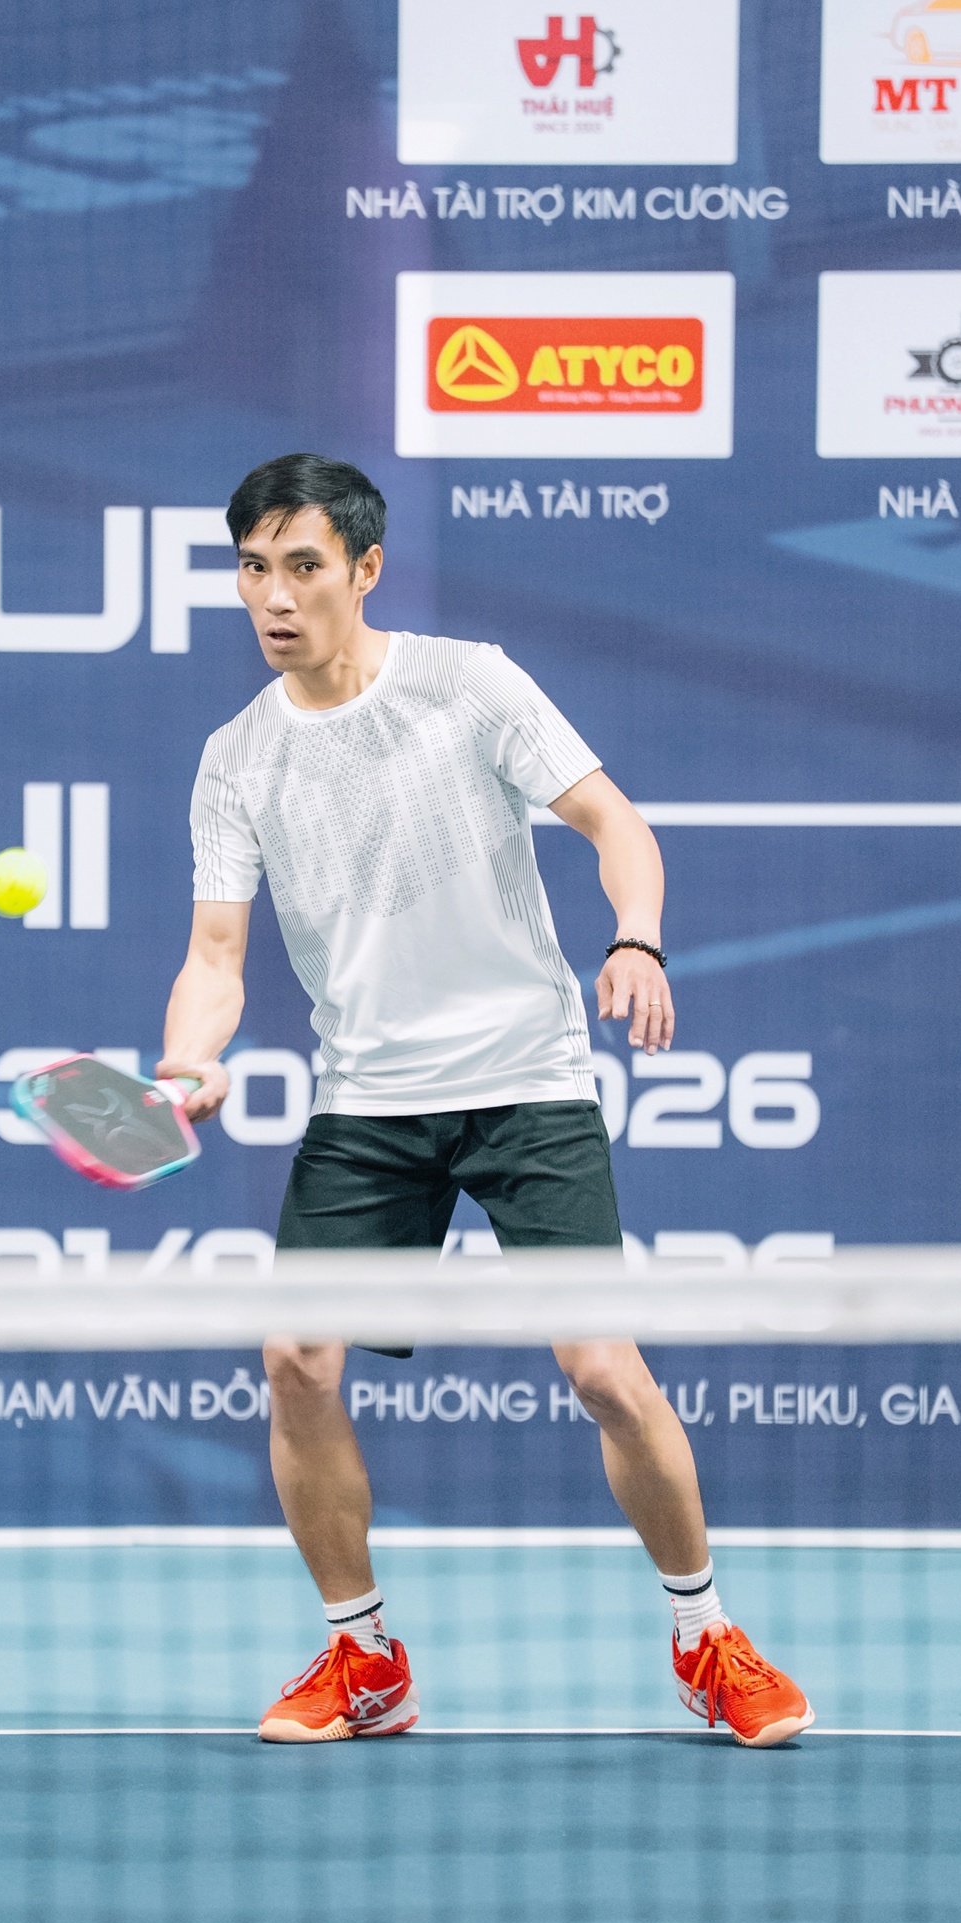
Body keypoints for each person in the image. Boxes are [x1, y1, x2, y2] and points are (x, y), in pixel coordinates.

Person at [158, 453, 811, 1750]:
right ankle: (363, 1657)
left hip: (525, 1078)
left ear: (364, 569)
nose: (275, 596)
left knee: (603, 1370)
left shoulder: (468, 685)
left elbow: (616, 824)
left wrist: (637, 940)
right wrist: (186, 1064)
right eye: (253, 568)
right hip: (369, 1099)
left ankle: (706, 1635)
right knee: (295, 1361)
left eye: (302, 566)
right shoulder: (236, 760)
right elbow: (215, 959)